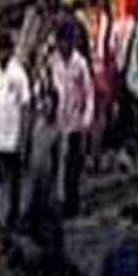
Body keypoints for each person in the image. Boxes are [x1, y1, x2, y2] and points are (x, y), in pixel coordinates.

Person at [0, 37, 31, 229]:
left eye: (3, 50)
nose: (0, 54)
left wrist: (23, 137)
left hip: (12, 134)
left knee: (13, 180)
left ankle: (13, 215)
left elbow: (26, 104)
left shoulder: (18, 73)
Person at [50, 22, 94, 218]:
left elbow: (88, 93)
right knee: (55, 165)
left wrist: (86, 119)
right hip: (57, 121)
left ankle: (71, 204)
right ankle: (56, 203)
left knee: (72, 168)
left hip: (75, 122)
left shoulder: (80, 63)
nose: (63, 47)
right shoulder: (53, 62)